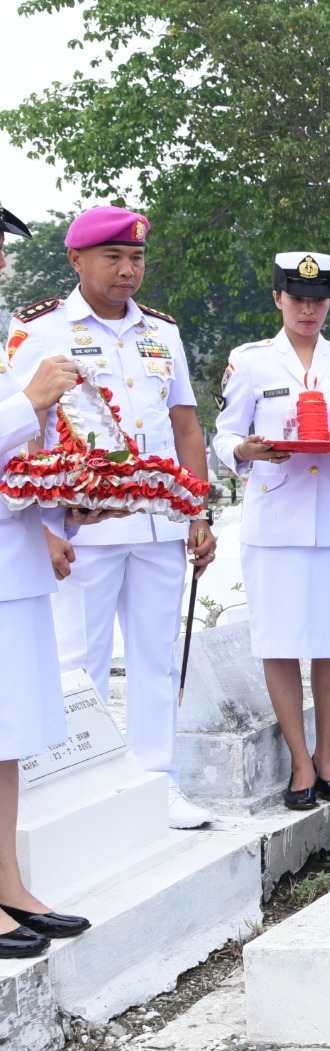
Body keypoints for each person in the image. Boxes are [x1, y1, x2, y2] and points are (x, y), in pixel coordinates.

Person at [7, 205, 216, 829]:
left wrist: (198, 510)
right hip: (81, 525)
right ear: (76, 260)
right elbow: (23, 431)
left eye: (137, 259)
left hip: (156, 520)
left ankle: (158, 784)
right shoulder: (39, 329)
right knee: (80, 661)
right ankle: (84, 794)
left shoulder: (163, 332)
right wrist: (42, 526)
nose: (128, 271)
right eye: (113, 258)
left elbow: (185, 423)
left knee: (155, 658)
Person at [211, 252, 330, 810]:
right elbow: (224, 433)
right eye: (298, 299)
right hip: (276, 519)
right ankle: (299, 762)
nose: (309, 310)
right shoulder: (251, 361)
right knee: (279, 643)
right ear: (279, 298)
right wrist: (245, 450)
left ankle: (327, 758)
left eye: (319, 300)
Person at [0, 208, 93, 958]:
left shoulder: (9, 336)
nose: (2, 264)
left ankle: (8, 882)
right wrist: (27, 401)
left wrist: (55, 507)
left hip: (15, 557)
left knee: (9, 737)